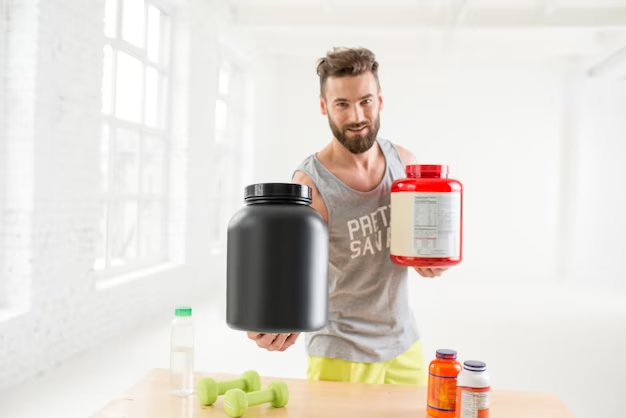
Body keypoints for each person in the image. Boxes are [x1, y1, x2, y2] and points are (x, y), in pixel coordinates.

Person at [247, 47, 448, 386]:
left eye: (365, 101)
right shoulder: (311, 184)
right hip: (340, 351)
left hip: (404, 344)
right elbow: (292, 270)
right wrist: (273, 316)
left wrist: (429, 259)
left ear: (380, 101)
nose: (357, 115)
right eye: (342, 104)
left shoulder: (405, 164)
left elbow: (419, 243)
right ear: (324, 107)